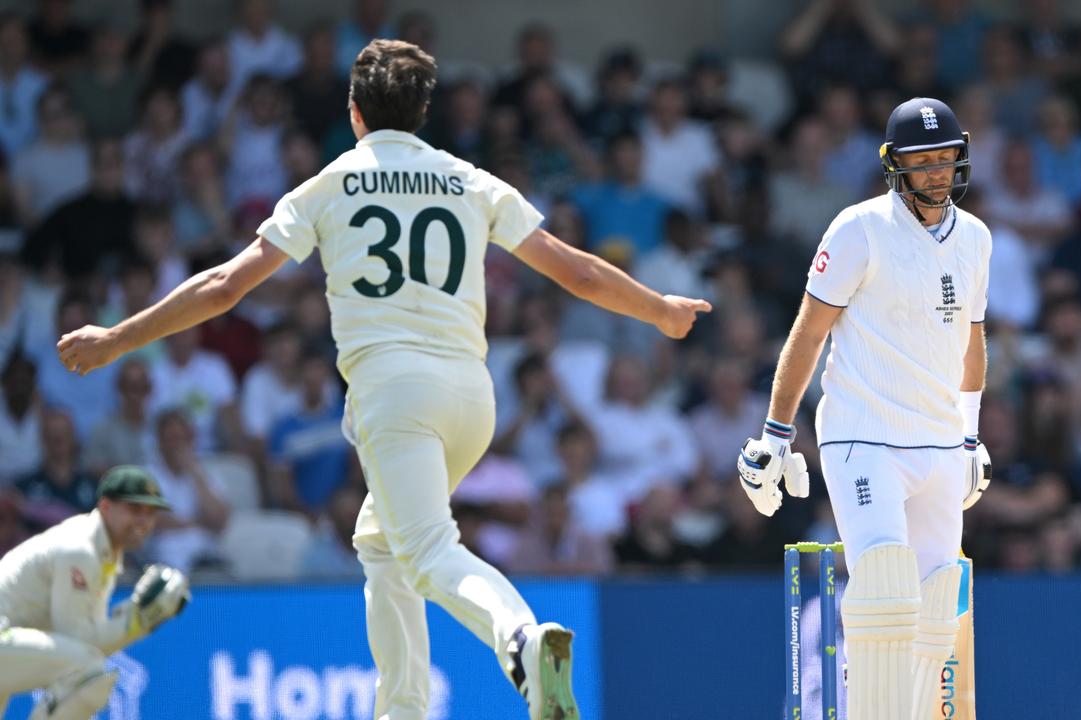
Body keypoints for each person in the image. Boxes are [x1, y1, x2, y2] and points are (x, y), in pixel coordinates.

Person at [55, 39, 710, 720]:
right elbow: (576, 271)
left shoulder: (329, 183)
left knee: (427, 551)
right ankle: (403, 710)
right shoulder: (470, 179)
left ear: (355, 111)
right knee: (381, 543)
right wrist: (657, 308)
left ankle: (519, 638)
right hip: (471, 397)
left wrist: (118, 337)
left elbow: (224, 286)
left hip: (395, 395)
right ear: (421, 113)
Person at [736, 97, 991, 719]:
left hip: (937, 441)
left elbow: (972, 341)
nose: (935, 172)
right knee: (883, 585)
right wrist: (774, 432)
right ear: (894, 165)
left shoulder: (976, 238)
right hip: (863, 436)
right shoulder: (859, 228)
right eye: (921, 161)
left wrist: (970, 437)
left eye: (944, 158)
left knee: (936, 609)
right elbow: (809, 330)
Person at [0, 465, 189, 720]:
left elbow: (82, 646)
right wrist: (138, 620)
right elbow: (80, 644)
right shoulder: (82, 550)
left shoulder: (103, 553)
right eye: (134, 510)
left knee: (85, 671)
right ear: (106, 507)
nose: (143, 522)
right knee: (88, 671)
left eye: (151, 513)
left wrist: (137, 620)